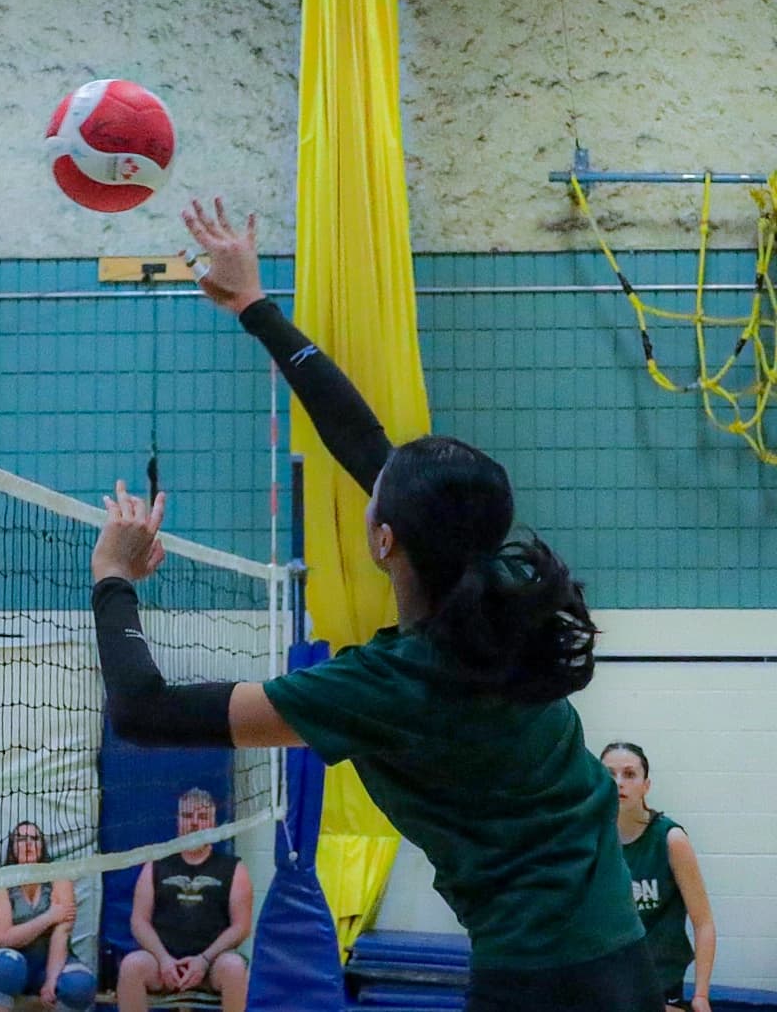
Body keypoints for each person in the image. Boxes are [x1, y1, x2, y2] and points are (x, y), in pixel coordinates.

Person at [89, 198, 663, 1012]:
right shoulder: (502, 596)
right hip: (619, 964)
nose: (371, 478)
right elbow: (362, 443)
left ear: (385, 540)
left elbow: (142, 711)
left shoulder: (386, 687)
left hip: (537, 983)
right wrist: (257, 308)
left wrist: (111, 578)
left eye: (377, 498)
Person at [602, 742, 716, 1012]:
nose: (619, 783)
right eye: (609, 774)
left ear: (646, 785)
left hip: (660, 983)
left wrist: (700, 996)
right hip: (607, 982)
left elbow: (704, 923)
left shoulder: (670, 839)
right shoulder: (591, 839)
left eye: (629, 774)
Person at [116, 788, 251, 1012]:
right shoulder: (156, 864)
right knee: (132, 966)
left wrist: (204, 960)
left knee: (235, 967)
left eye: (202, 817)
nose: (195, 824)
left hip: (212, 964)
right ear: (178, 822)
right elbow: (139, 921)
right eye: (188, 817)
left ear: (214, 823)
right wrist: (164, 959)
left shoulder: (234, 868)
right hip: (162, 961)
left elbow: (241, 927)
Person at [0, 822, 95, 1012]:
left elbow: (61, 933)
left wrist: (51, 980)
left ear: (42, 846)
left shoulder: (59, 877)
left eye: (34, 838)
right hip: (7, 964)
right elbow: (3, 937)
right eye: (21, 839)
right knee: (7, 967)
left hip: (47, 962)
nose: (28, 844)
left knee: (80, 985)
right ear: (12, 848)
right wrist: (49, 917)